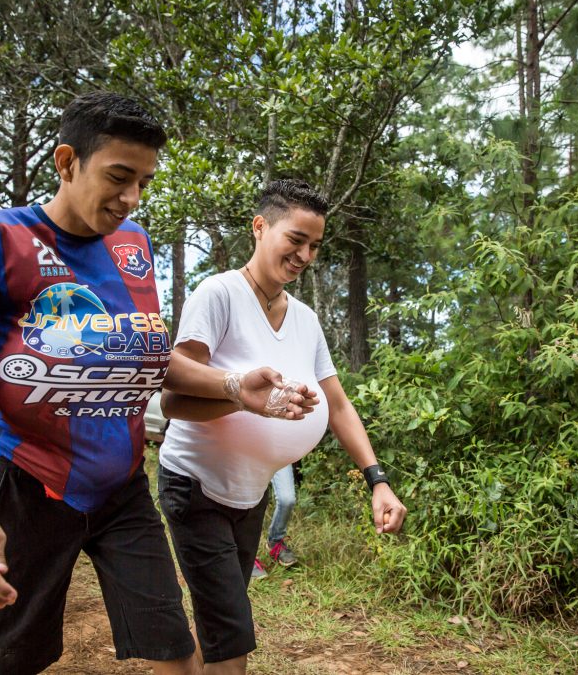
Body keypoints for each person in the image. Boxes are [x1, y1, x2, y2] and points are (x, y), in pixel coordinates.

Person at [0, 92, 314, 675]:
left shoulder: (134, 245)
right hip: (29, 481)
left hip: (122, 485)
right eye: (119, 176)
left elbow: (148, 361)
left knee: (175, 651)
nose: (131, 198)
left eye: (144, 182)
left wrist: (233, 387)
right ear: (67, 162)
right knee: (8, 659)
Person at [158, 178, 408, 674]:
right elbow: (173, 401)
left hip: (250, 495)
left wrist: (377, 480)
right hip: (195, 486)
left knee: (220, 618)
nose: (305, 254)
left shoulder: (306, 320)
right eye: (296, 239)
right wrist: (246, 401)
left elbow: (337, 405)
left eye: (315, 245)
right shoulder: (219, 294)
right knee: (233, 634)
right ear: (259, 227)